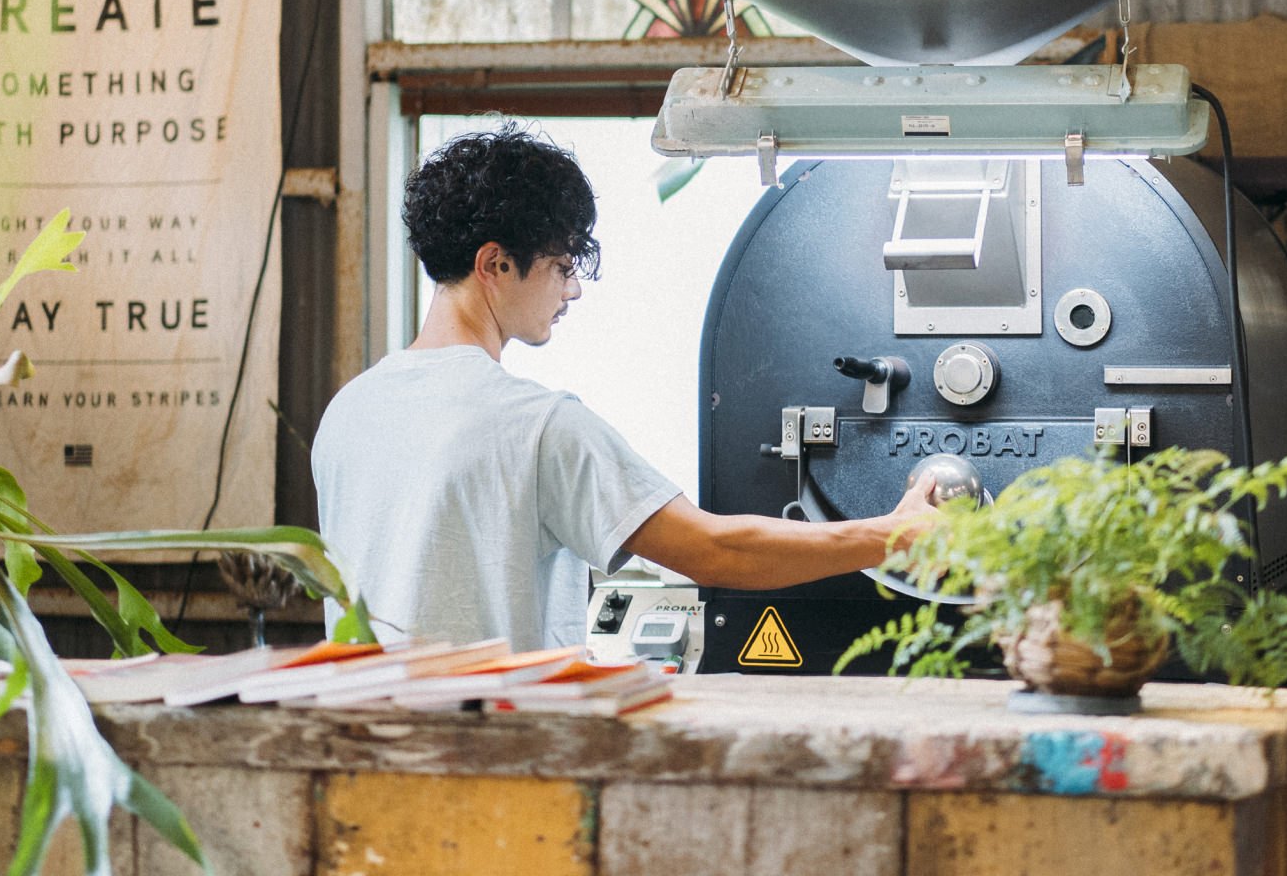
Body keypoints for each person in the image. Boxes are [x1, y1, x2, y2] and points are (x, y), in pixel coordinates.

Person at [312, 122, 936, 649]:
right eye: (561, 267)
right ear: (496, 264)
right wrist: (891, 534)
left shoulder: (349, 410)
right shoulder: (535, 426)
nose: (573, 289)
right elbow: (716, 552)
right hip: (497, 762)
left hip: (363, 754)